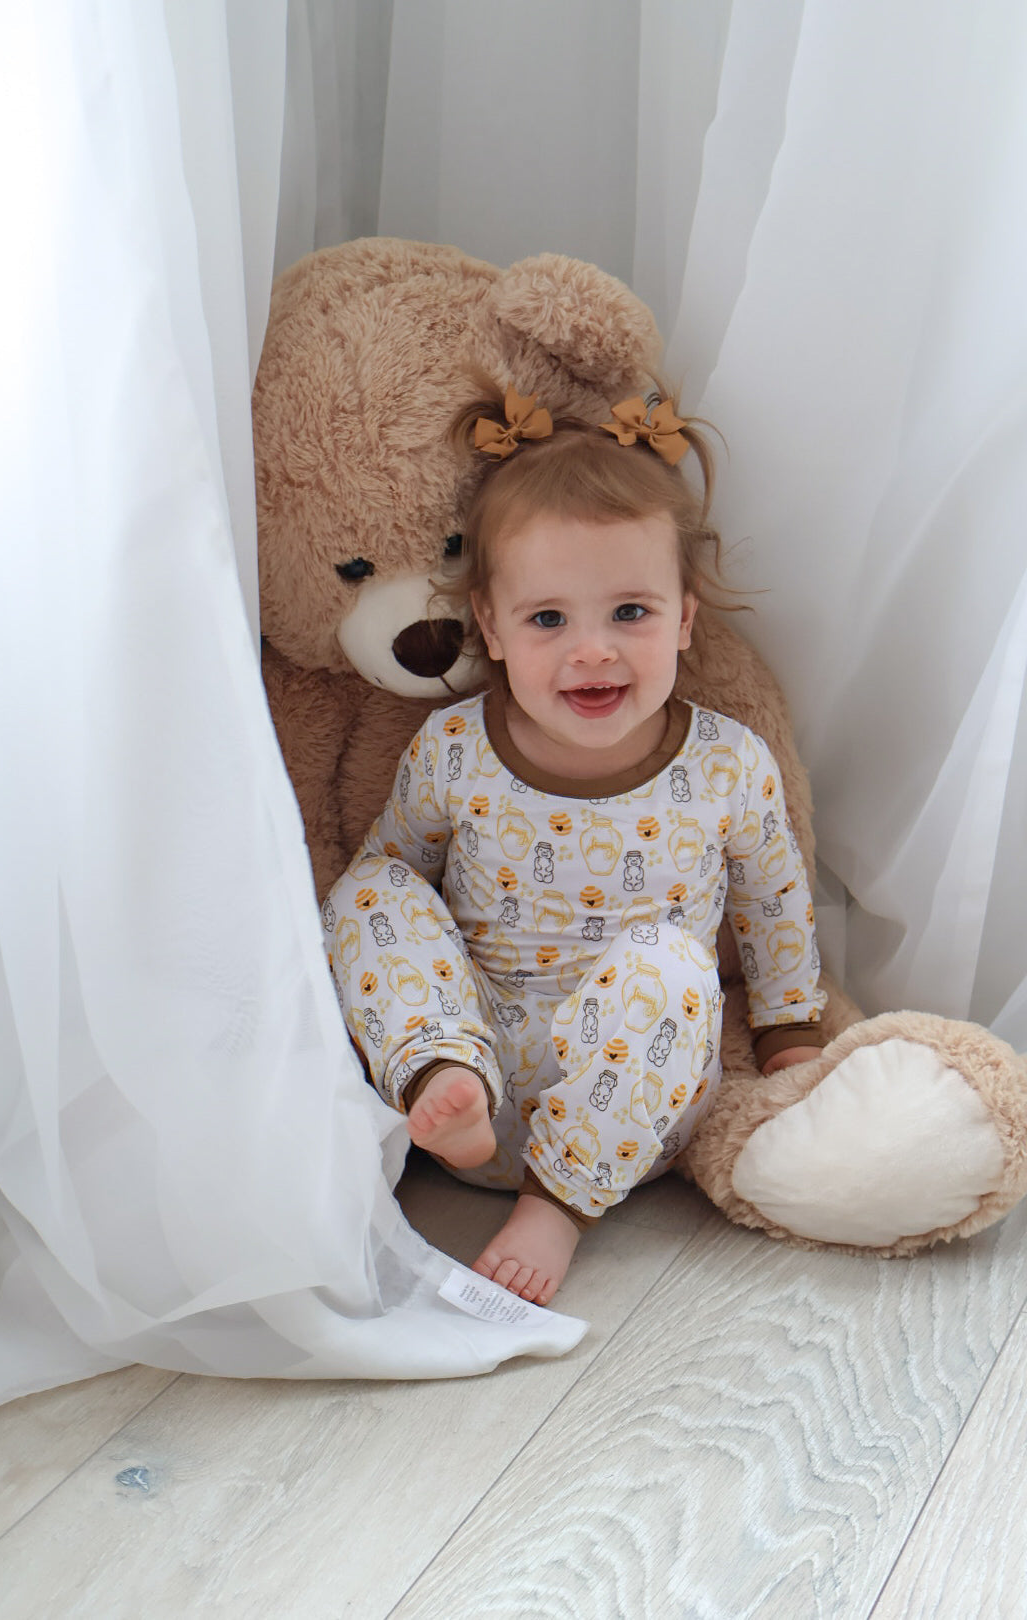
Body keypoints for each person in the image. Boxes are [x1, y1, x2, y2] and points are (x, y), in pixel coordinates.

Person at [323, 383, 826, 1305]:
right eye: (549, 619)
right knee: (369, 889)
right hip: (470, 1065)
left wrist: (790, 1034)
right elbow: (396, 886)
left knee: (674, 965)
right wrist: (440, 1050)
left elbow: (774, 905)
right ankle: (439, 1075)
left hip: (632, 1105)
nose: (592, 650)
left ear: (684, 618)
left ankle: (553, 1209)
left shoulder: (726, 763)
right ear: (491, 628)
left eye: (630, 613)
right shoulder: (455, 749)